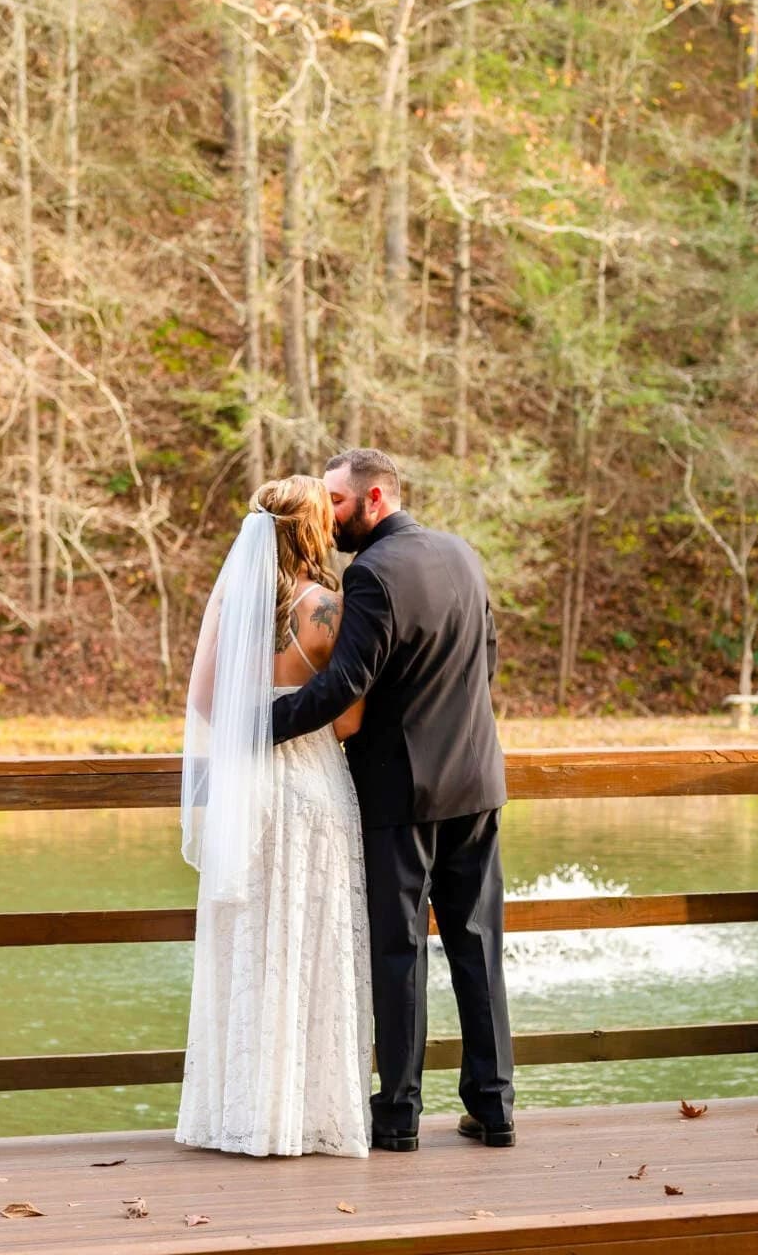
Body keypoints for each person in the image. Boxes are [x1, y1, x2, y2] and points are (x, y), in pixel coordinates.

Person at [270, 447, 515, 1153]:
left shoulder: (372, 572)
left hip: (401, 793)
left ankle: (400, 1115)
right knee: (478, 946)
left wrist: (260, 729)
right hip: (476, 781)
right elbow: (487, 659)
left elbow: (344, 685)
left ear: (375, 498)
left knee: (399, 952)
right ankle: (494, 1108)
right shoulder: (462, 553)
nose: (329, 515)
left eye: (337, 503)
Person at [175, 475, 373, 1157]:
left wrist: (249, 722)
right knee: (308, 942)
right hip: (312, 787)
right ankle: (306, 1115)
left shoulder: (232, 604)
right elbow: (347, 719)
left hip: (244, 793)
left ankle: (237, 1116)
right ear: (315, 530)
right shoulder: (328, 608)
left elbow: (204, 701)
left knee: (248, 944)